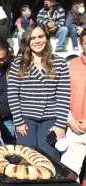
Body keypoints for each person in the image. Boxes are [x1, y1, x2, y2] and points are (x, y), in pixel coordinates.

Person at [7, 23, 70, 160]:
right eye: (33, 37)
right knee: (26, 159)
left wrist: (60, 125)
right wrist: (18, 121)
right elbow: (12, 94)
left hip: (50, 121)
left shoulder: (59, 63)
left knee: (49, 160)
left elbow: (63, 95)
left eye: (40, 36)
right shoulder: (18, 63)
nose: (37, 41)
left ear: (46, 38)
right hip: (26, 121)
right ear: (27, 41)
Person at [60, 30, 86, 181]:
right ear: (81, 45)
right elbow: (62, 96)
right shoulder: (70, 66)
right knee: (68, 175)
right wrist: (69, 120)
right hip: (74, 129)